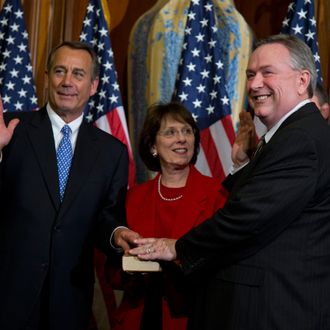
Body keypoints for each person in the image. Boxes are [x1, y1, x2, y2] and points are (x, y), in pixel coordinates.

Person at [129, 34, 330, 329]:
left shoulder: (299, 138)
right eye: (250, 75)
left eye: (267, 73)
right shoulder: (288, 136)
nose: (254, 84)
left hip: (276, 309)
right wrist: (241, 163)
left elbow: (248, 215)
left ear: (302, 81)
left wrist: (178, 248)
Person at [0, 41, 139, 330]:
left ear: (93, 85)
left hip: (69, 301)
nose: (67, 82)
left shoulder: (111, 152)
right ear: (47, 76)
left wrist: (117, 233)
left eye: (78, 74)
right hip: (8, 294)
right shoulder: (11, 130)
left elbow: (106, 216)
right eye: (60, 71)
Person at [111, 102, 228, 330]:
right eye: (170, 132)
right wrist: (128, 261)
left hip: (193, 317)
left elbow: (225, 260)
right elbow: (112, 272)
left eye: (187, 131)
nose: (182, 138)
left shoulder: (218, 194)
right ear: (153, 146)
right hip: (138, 315)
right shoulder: (132, 198)